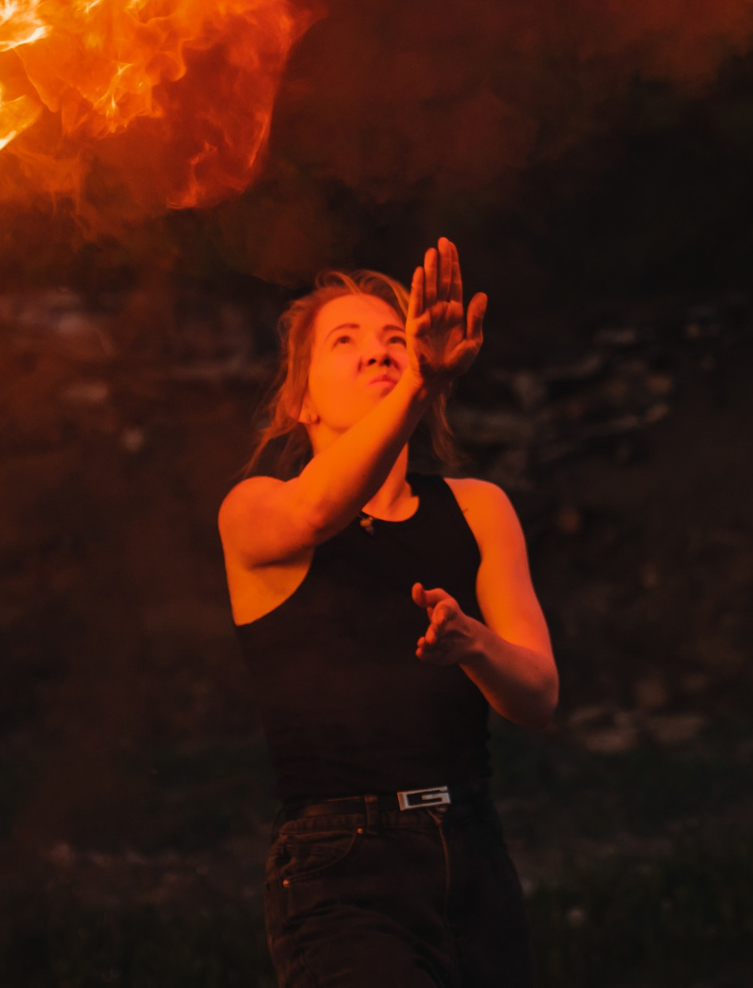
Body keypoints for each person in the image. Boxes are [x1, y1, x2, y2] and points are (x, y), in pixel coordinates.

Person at [220, 238, 556, 987]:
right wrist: (418, 386)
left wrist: (473, 644)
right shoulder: (255, 509)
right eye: (346, 340)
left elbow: (538, 695)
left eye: (394, 338)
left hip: (473, 851)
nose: (378, 351)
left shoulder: (479, 508)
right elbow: (315, 511)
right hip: (342, 869)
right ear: (301, 399)